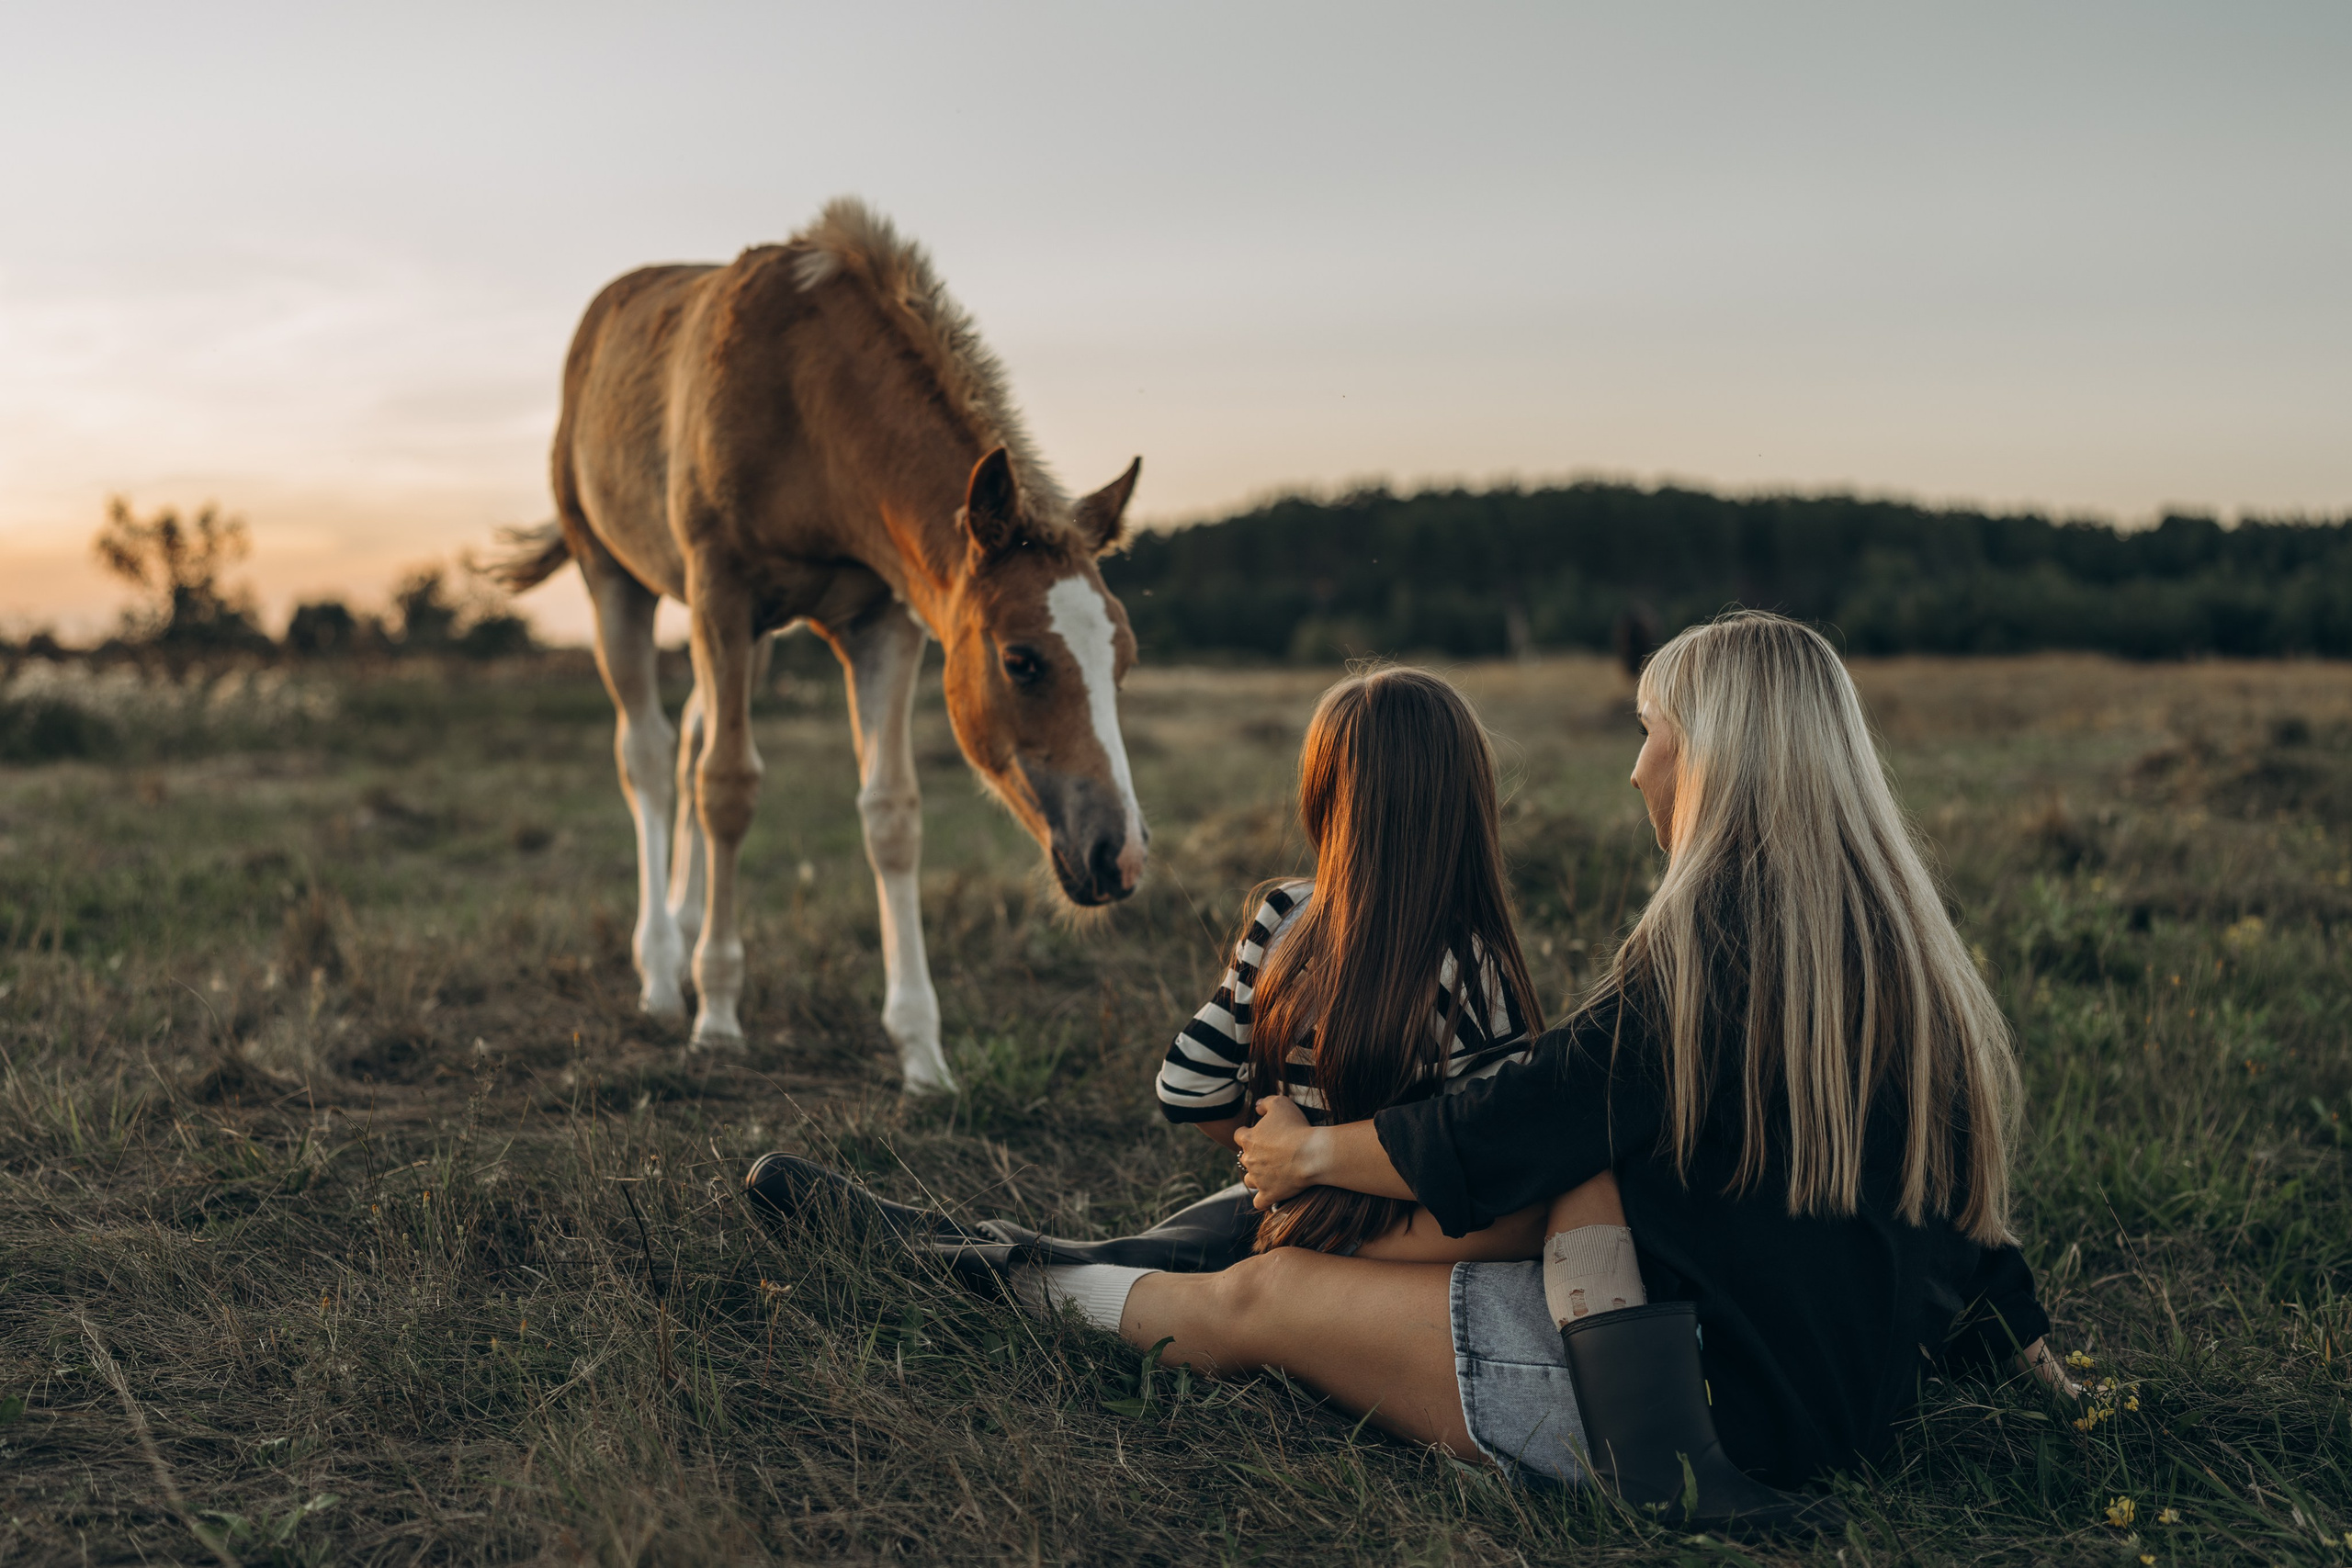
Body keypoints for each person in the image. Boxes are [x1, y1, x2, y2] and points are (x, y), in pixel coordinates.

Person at [748, 612, 2065, 1535]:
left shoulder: (1714, 956)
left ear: (1718, 755)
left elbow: (1530, 1112)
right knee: (1388, 1209)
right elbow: (1972, 1229)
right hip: (1784, 1391)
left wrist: (1317, 1155)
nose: (1635, 763)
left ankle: (987, 1280)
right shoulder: (1904, 964)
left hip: (1674, 1415)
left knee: (1265, 1293)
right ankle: (1007, 1248)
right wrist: (2048, 1382)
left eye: (1656, 730)